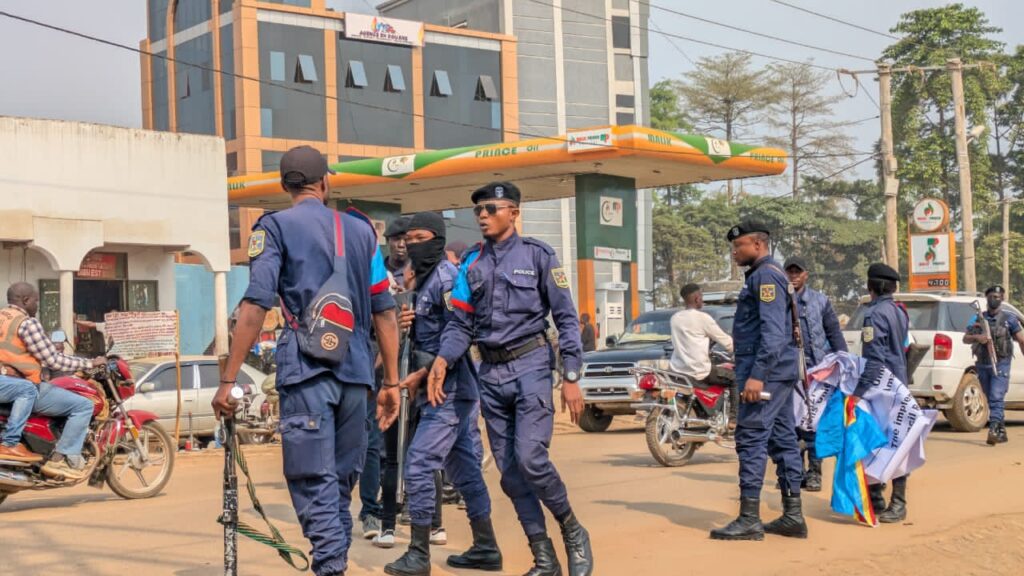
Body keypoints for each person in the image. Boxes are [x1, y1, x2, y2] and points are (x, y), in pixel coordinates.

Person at [212, 145, 401, 576]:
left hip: (307, 371)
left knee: (313, 483)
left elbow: (256, 304)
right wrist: (391, 382)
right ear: (324, 182)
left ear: (285, 185)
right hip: (356, 376)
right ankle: (329, 563)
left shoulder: (273, 227)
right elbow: (385, 312)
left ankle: (331, 568)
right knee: (336, 487)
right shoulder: (361, 233)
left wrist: (228, 380)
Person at [428, 181, 593, 576]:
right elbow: (461, 321)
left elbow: (567, 318)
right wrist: (442, 359)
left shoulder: (538, 255)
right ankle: (544, 558)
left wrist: (570, 375)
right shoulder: (471, 262)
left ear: (513, 212)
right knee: (511, 474)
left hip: (532, 365)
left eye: (491, 208)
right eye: (478, 211)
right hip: (490, 373)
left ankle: (572, 528)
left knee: (531, 459)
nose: (483, 215)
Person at [384, 211, 501, 576]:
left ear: (437, 238)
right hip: (433, 387)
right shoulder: (422, 280)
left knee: (418, 464)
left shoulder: (448, 278)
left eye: (421, 238)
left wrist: (429, 369)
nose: (413, 245)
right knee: (464, 469)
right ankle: (486, 547)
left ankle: (418, 552)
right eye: (409, 239)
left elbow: (461, 331)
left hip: (447, 388)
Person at [710, 221, 805, 541]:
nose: (735, 252)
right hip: (778, 371)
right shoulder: (770, 275)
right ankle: (793, 515)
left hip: (766, 373)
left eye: (740, 247)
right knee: (782, 440)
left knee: (751, 438)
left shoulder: (765, 276)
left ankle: (749, 518)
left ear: (759, 246)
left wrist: (756, 376)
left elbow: (773, 334)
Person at [0, 283, 102, 479]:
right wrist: (90, 363)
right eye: (36, 301)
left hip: (7, 384)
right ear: (26, 300)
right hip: (21, 384)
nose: (37, 305)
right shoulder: (27, 323)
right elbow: (52, 360)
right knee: (82, 406)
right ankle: (62, 459)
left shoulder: (3, 317)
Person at [783, 256, 848, 492]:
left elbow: (834, 333)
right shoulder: (779, 302)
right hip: (791, 374)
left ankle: (815, 473)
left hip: (819, 374)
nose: (793, 276)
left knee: (815, 423)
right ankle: (796, 470)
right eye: (789, 272)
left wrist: (843, 361)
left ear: (806, 274)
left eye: (797, 272)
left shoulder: (820, 301)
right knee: (793, 424)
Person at [855, 263, 911, 523]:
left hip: (881, 388)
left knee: (873, 441)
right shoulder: (899, 311)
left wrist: (857, 392)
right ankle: (880, 497)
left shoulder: (874, 315)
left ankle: (892, 502)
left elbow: (874, 359)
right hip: (898, 384)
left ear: (871, 287)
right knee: (896, 441)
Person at [963, 285, 1024, 446]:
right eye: (991, 296)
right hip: (983, 363)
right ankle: (1001, 431)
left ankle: (994, 429)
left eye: (997, 297)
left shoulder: (1009, 319)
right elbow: (965, 338)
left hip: (1001, 363)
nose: (994, 299)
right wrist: (979, 337)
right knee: (990, 397)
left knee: (997, 396)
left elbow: (1021, 339)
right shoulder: (978, 318)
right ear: (986, 298)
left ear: (1002, 299)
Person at [669, 283, 734, 380]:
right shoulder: (703, 318)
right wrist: (738, 350)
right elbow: (727, 342)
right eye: (701, 296)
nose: (702, 300)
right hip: (699, 372)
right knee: (734, 378)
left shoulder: (675, 318)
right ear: (697, 298)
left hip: (678, 370)